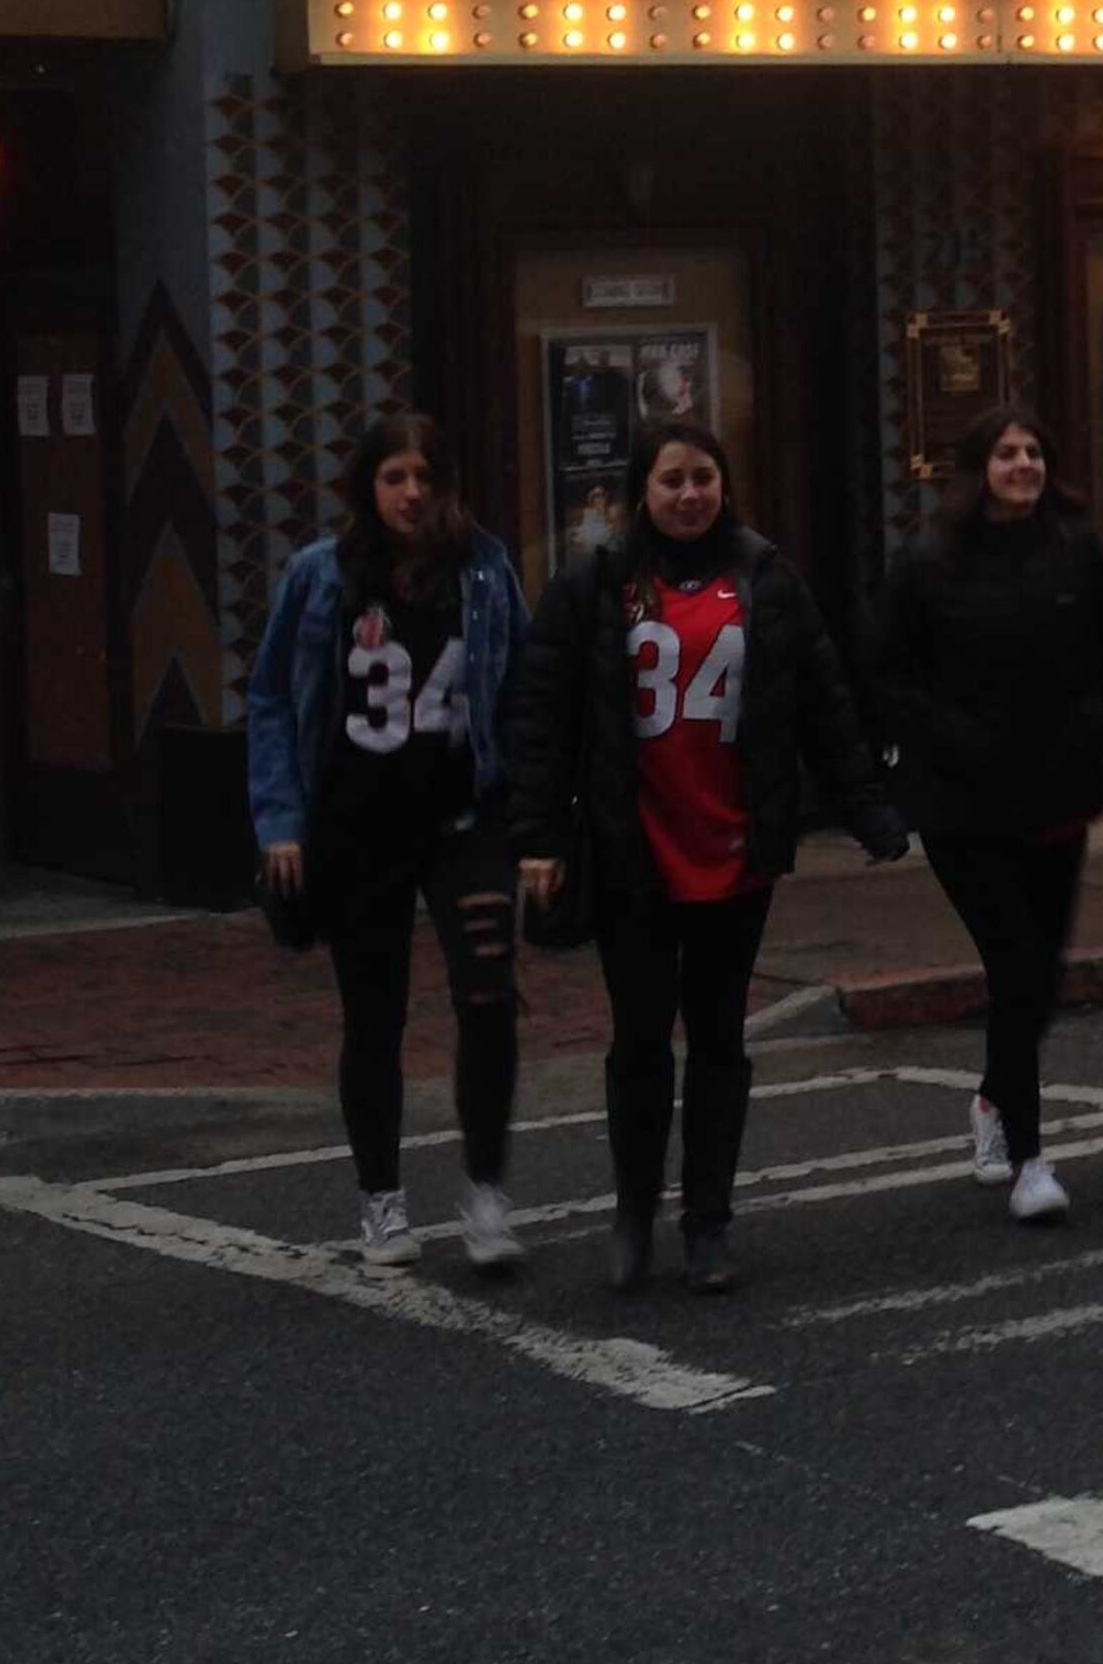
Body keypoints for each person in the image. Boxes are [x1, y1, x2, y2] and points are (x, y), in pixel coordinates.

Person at [507, 415, 905, 1295]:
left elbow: (824, 699)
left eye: (703, 478)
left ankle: (709, 1222)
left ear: (724, 485)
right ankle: (633, 1210)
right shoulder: (597, 583)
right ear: (641, 491)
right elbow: (541, 712)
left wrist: (869, 809)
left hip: (736, 848)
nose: (689, 495)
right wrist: (535, 835)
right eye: (671, 480)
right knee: (641, 1039)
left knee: (719, 1040)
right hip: (632, 849)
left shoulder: (766, 578)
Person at [247, 411, 534, 1275]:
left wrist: (534, 817)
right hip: (356, 826)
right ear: (367, 488)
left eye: (427, 478)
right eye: (394, 477)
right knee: (374, 1013)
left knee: (488, 996)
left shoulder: (484, 571)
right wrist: (281, 821)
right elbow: (269, 698)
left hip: (463, 821)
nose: (412, 494)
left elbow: (520, 689)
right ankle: (381, 1202)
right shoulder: (321, 577)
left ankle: (486, 1191)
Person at [864, 407, 1103, 1228]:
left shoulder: (1077, 550)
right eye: (1007, 452)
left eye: (1033, 450)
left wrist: (1092, 725)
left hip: (1055, 790)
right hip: (963, 801)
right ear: (976, 465)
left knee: (1041, 971)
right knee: (1015, 962)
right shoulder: (929, 561)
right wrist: (951, 738)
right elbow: (887, 672)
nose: (1023, 463)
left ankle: (992, 1098)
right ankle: (1029, 1156)